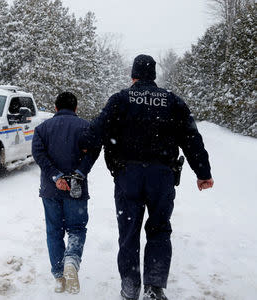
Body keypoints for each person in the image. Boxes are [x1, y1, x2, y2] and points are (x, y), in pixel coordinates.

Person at [82, 54, 214, 300]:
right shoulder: (172, 101)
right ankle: (154, 288)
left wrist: (82, 145)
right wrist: (203, 172)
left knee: (129, 231)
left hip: (127, 175)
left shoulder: (120, 99)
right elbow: (192, 138)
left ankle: (130, 286)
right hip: (162, 176)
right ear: (153, 76)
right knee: (159, 230)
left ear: (133, 76)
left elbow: (96, 130)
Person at [32, 92, 100, 294]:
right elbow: (95, 150)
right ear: (76, 108)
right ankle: (72, 260)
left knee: (54, 232)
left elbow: (38, 153)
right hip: (76, 189)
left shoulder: (42, 129)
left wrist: (56, 176)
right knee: (77, 228)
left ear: (55, 107)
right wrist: (79, 172)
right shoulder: (86, 128)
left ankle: (59, 276)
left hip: (50, 189)